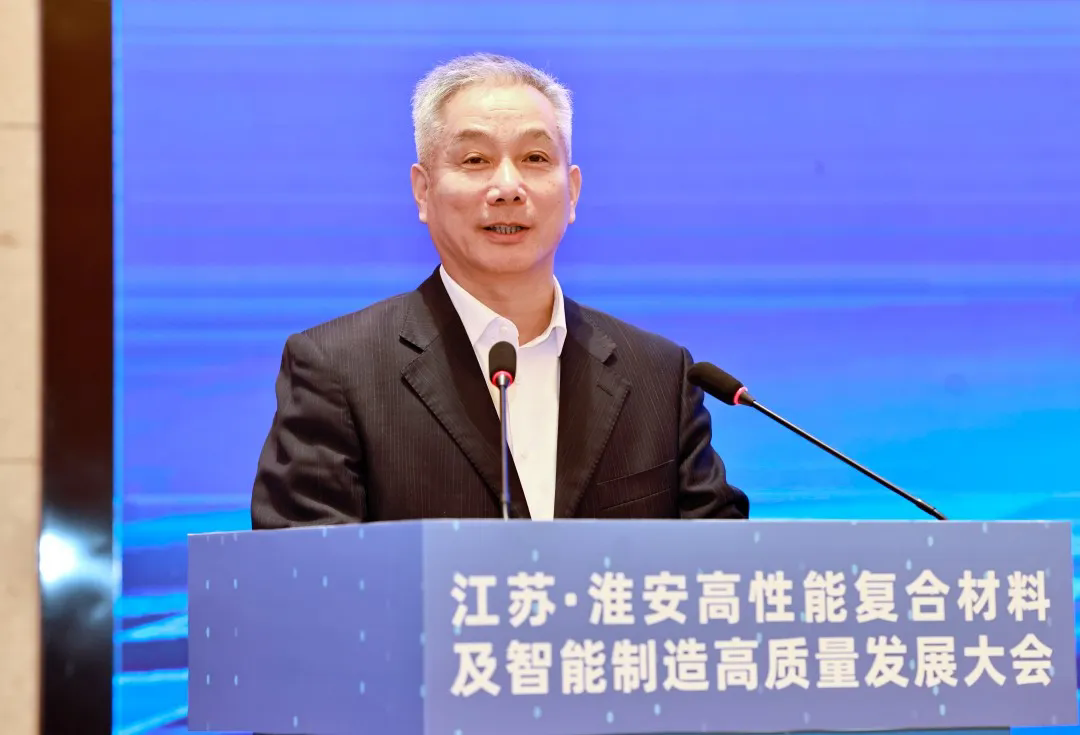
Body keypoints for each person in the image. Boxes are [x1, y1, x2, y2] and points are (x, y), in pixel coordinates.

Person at [250, 52, 748, 527]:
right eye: (475, 159)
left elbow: (725, 563)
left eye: (535, 157)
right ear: (423, 191)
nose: (508, 187)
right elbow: (305, 571)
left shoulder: (660, 376)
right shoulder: (338, 370)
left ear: (572, 192)